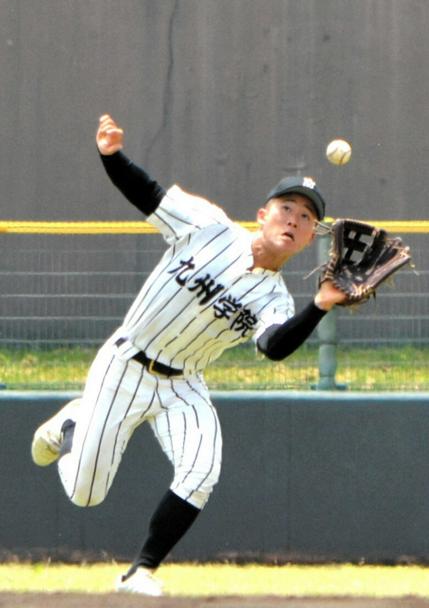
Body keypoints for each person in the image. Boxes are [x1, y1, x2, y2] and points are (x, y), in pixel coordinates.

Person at [31, 114, 346, 596]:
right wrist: (112, 156)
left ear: (309, 239)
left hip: (184, 383)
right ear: (263, 214)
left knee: (203, 469)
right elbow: (150, 195)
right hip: (125, 364)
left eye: (306, 217)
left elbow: (274, 347)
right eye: (286, 207)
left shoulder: (277, 300)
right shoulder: (208, 226)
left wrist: (320, 304)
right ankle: (71, 425)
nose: (295, 220)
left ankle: (140, 571)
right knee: (85, 495)